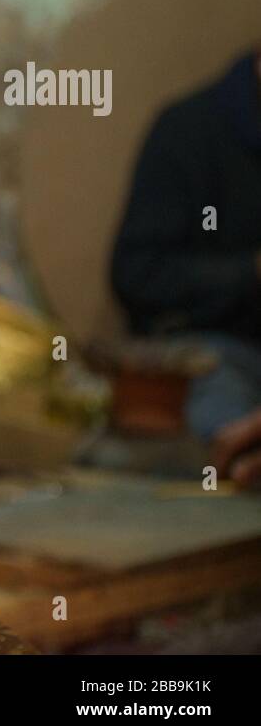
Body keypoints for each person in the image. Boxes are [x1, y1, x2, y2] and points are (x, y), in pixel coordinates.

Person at [111, 50, 261, 488]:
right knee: (221, 413)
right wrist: (249, 272)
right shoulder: (190, 130)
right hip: (220, 352)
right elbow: (137, 274)